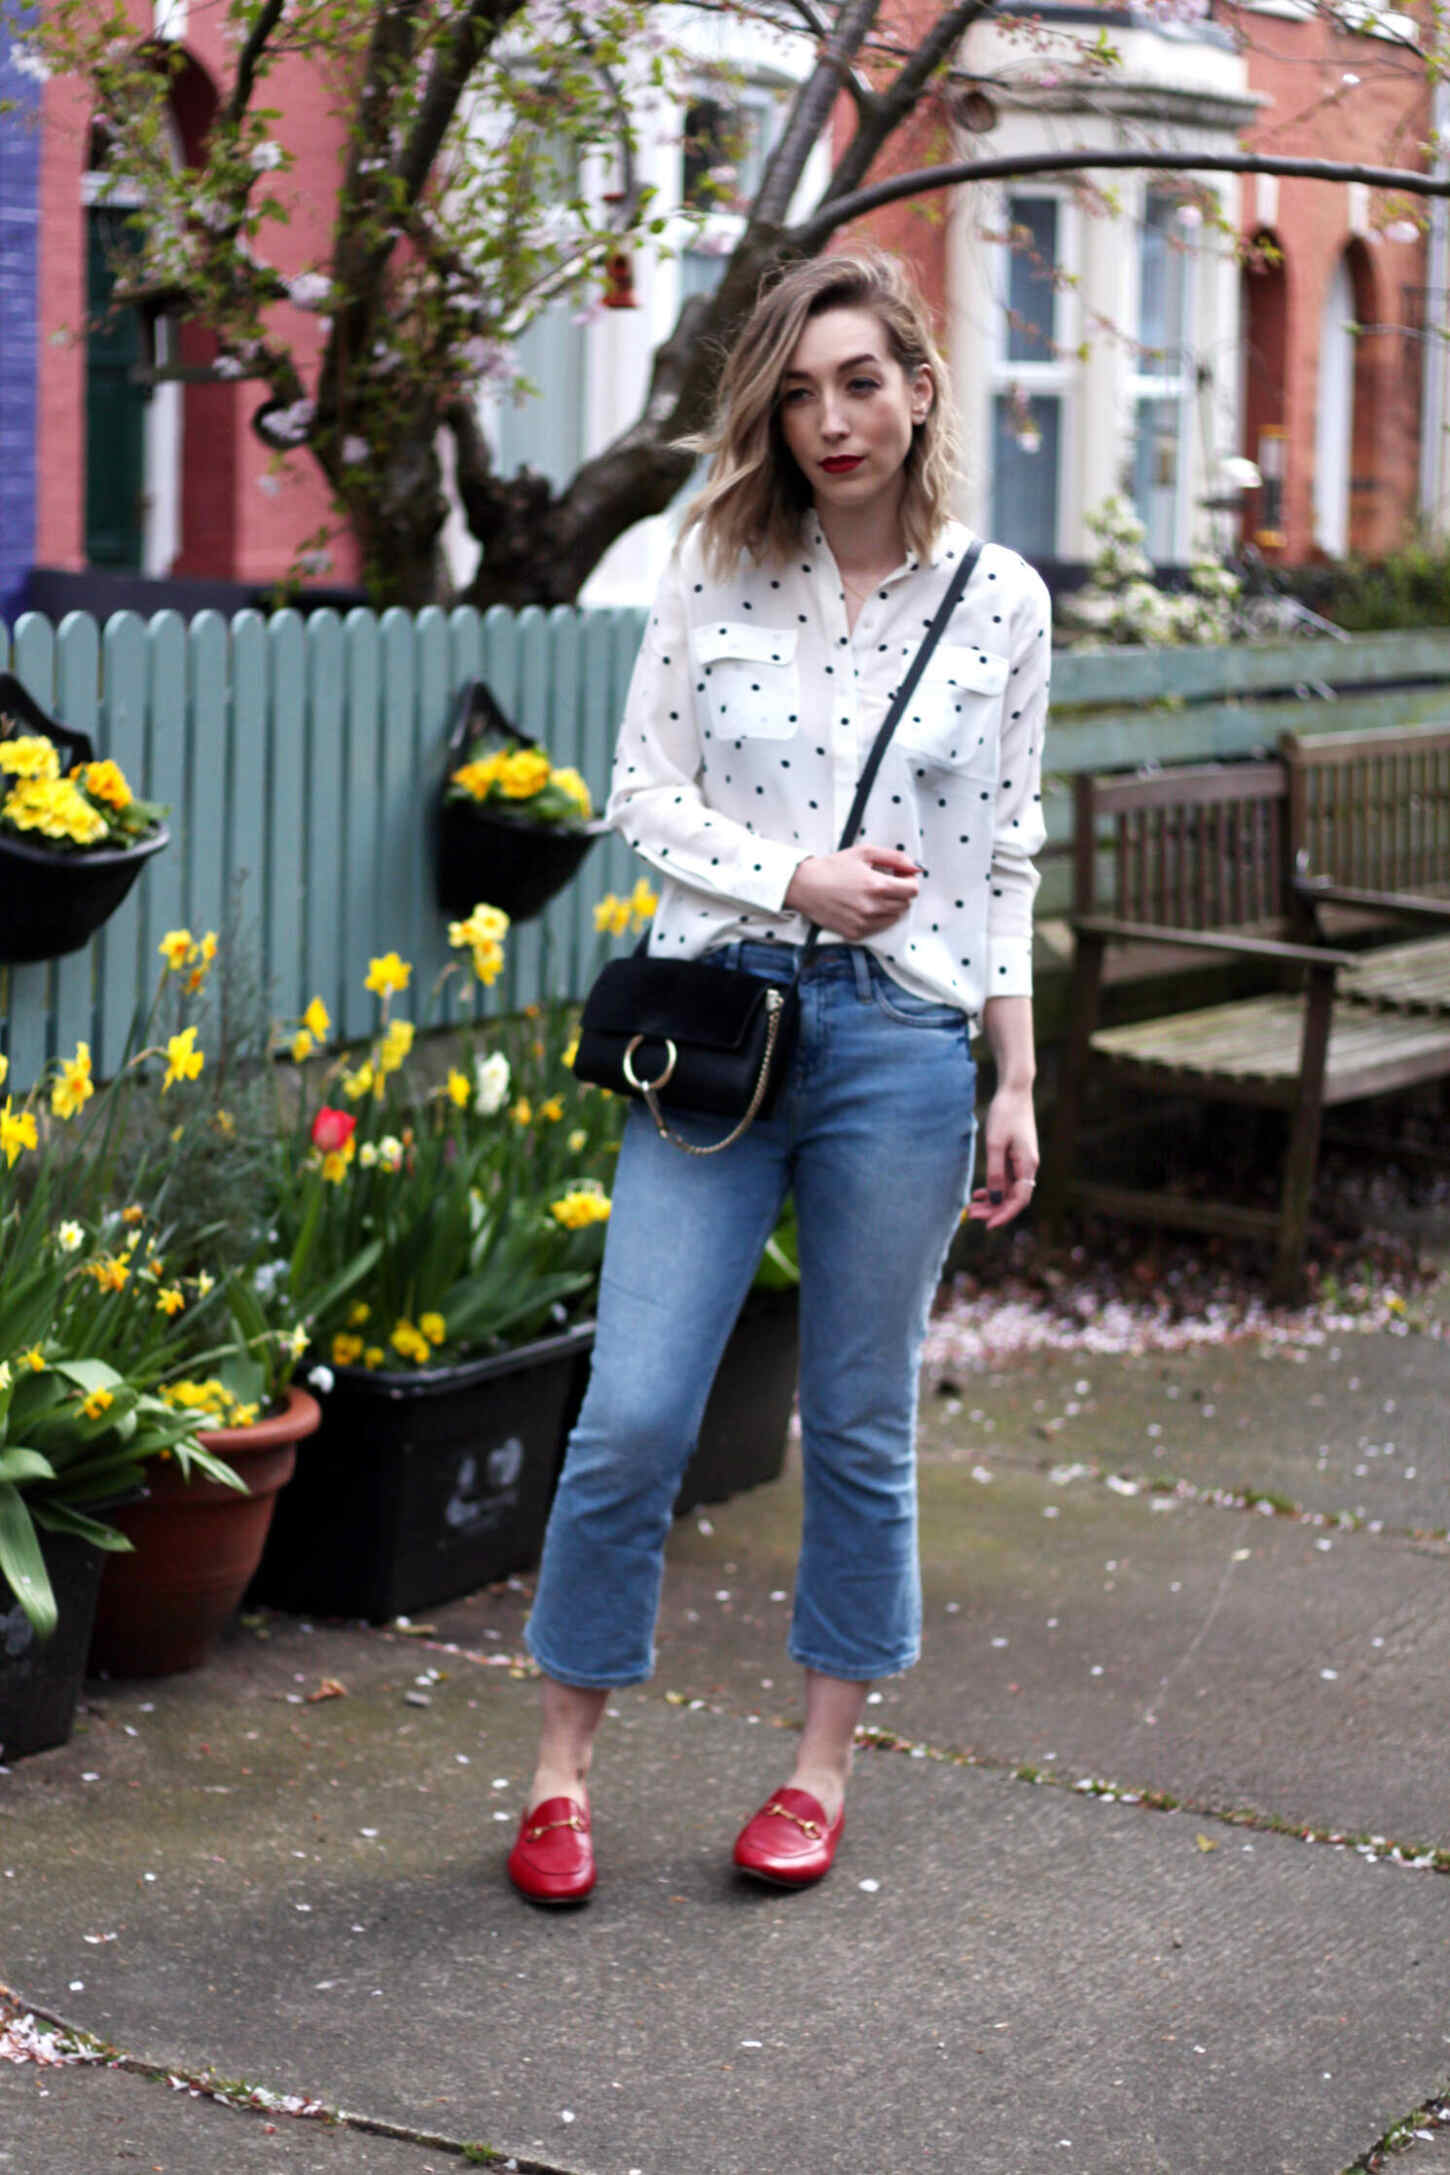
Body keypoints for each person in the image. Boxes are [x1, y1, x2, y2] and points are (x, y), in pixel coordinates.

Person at [508, 249, 1049, 1904]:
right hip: (719, 1035)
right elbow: (638, 796)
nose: (831, 418)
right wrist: (789, 877)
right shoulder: (711, 566)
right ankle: (557, 1775)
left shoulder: (1001, 602)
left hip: (901, 1045)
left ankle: (818, 1768)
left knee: (859, 1424)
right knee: (632, 1415)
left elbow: (999, 858)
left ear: (918, 388)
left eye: (860, 381)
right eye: (801, 390)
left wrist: (1012, 1077)